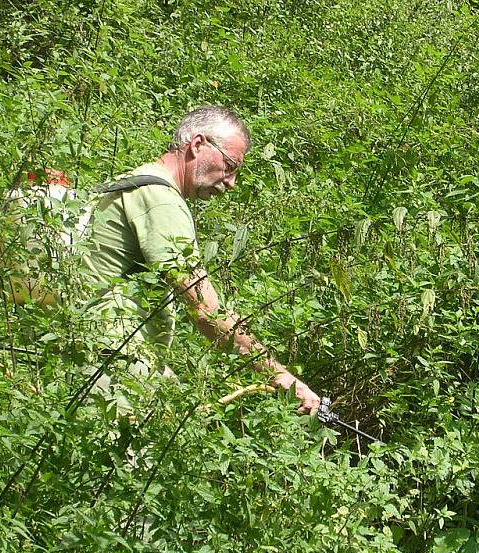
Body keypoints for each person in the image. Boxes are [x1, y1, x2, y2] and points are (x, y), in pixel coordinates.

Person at [80, 106, 321, 415]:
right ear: (197, 145)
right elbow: (207, 312)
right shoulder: (160, 199)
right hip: (111, 366)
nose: (232, 182)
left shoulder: (133, 182)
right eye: (230, 165)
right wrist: (283, 378)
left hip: (90, 351)